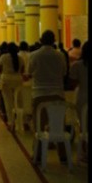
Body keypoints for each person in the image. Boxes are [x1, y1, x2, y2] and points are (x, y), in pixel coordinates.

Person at [27, 30, 68, 163]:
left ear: (40, 40)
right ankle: (63, 155)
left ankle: (38, 154)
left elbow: (29, 72)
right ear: (54, 40)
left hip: (40, 94)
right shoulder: (60, 55)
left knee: (39, 126)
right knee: (58, 126)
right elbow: (64, 72)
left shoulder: (34, 55)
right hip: (57, 94)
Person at [68, 41, 88, 160]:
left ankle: (85, 152)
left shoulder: (78, 65)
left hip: (83, 97)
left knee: (84, 126)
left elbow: (72, 84)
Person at [0, 43, 23, 122]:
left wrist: (2, 74)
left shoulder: (4, 57)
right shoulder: (20, 58)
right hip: (18, 79)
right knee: (18, 101)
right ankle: (20, 120)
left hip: (6, 79)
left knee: (8, 101)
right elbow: (22, 69)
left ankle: (11, 121)